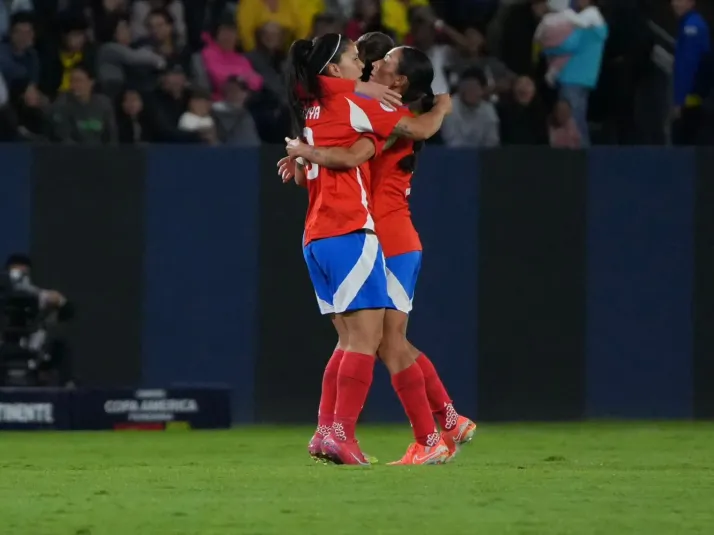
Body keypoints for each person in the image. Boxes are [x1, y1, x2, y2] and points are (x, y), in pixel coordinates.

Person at [283, 38, 477, 464]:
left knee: (384, 343)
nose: (370, 66)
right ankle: (444, 424)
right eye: (363, 60)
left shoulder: (379, 112)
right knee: (379, 342)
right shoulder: (363, 106)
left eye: (382, 61)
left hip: (386, 237)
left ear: (400, 79)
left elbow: (406, 133)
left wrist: (442, 108)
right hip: (366, 233)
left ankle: (432, 433)